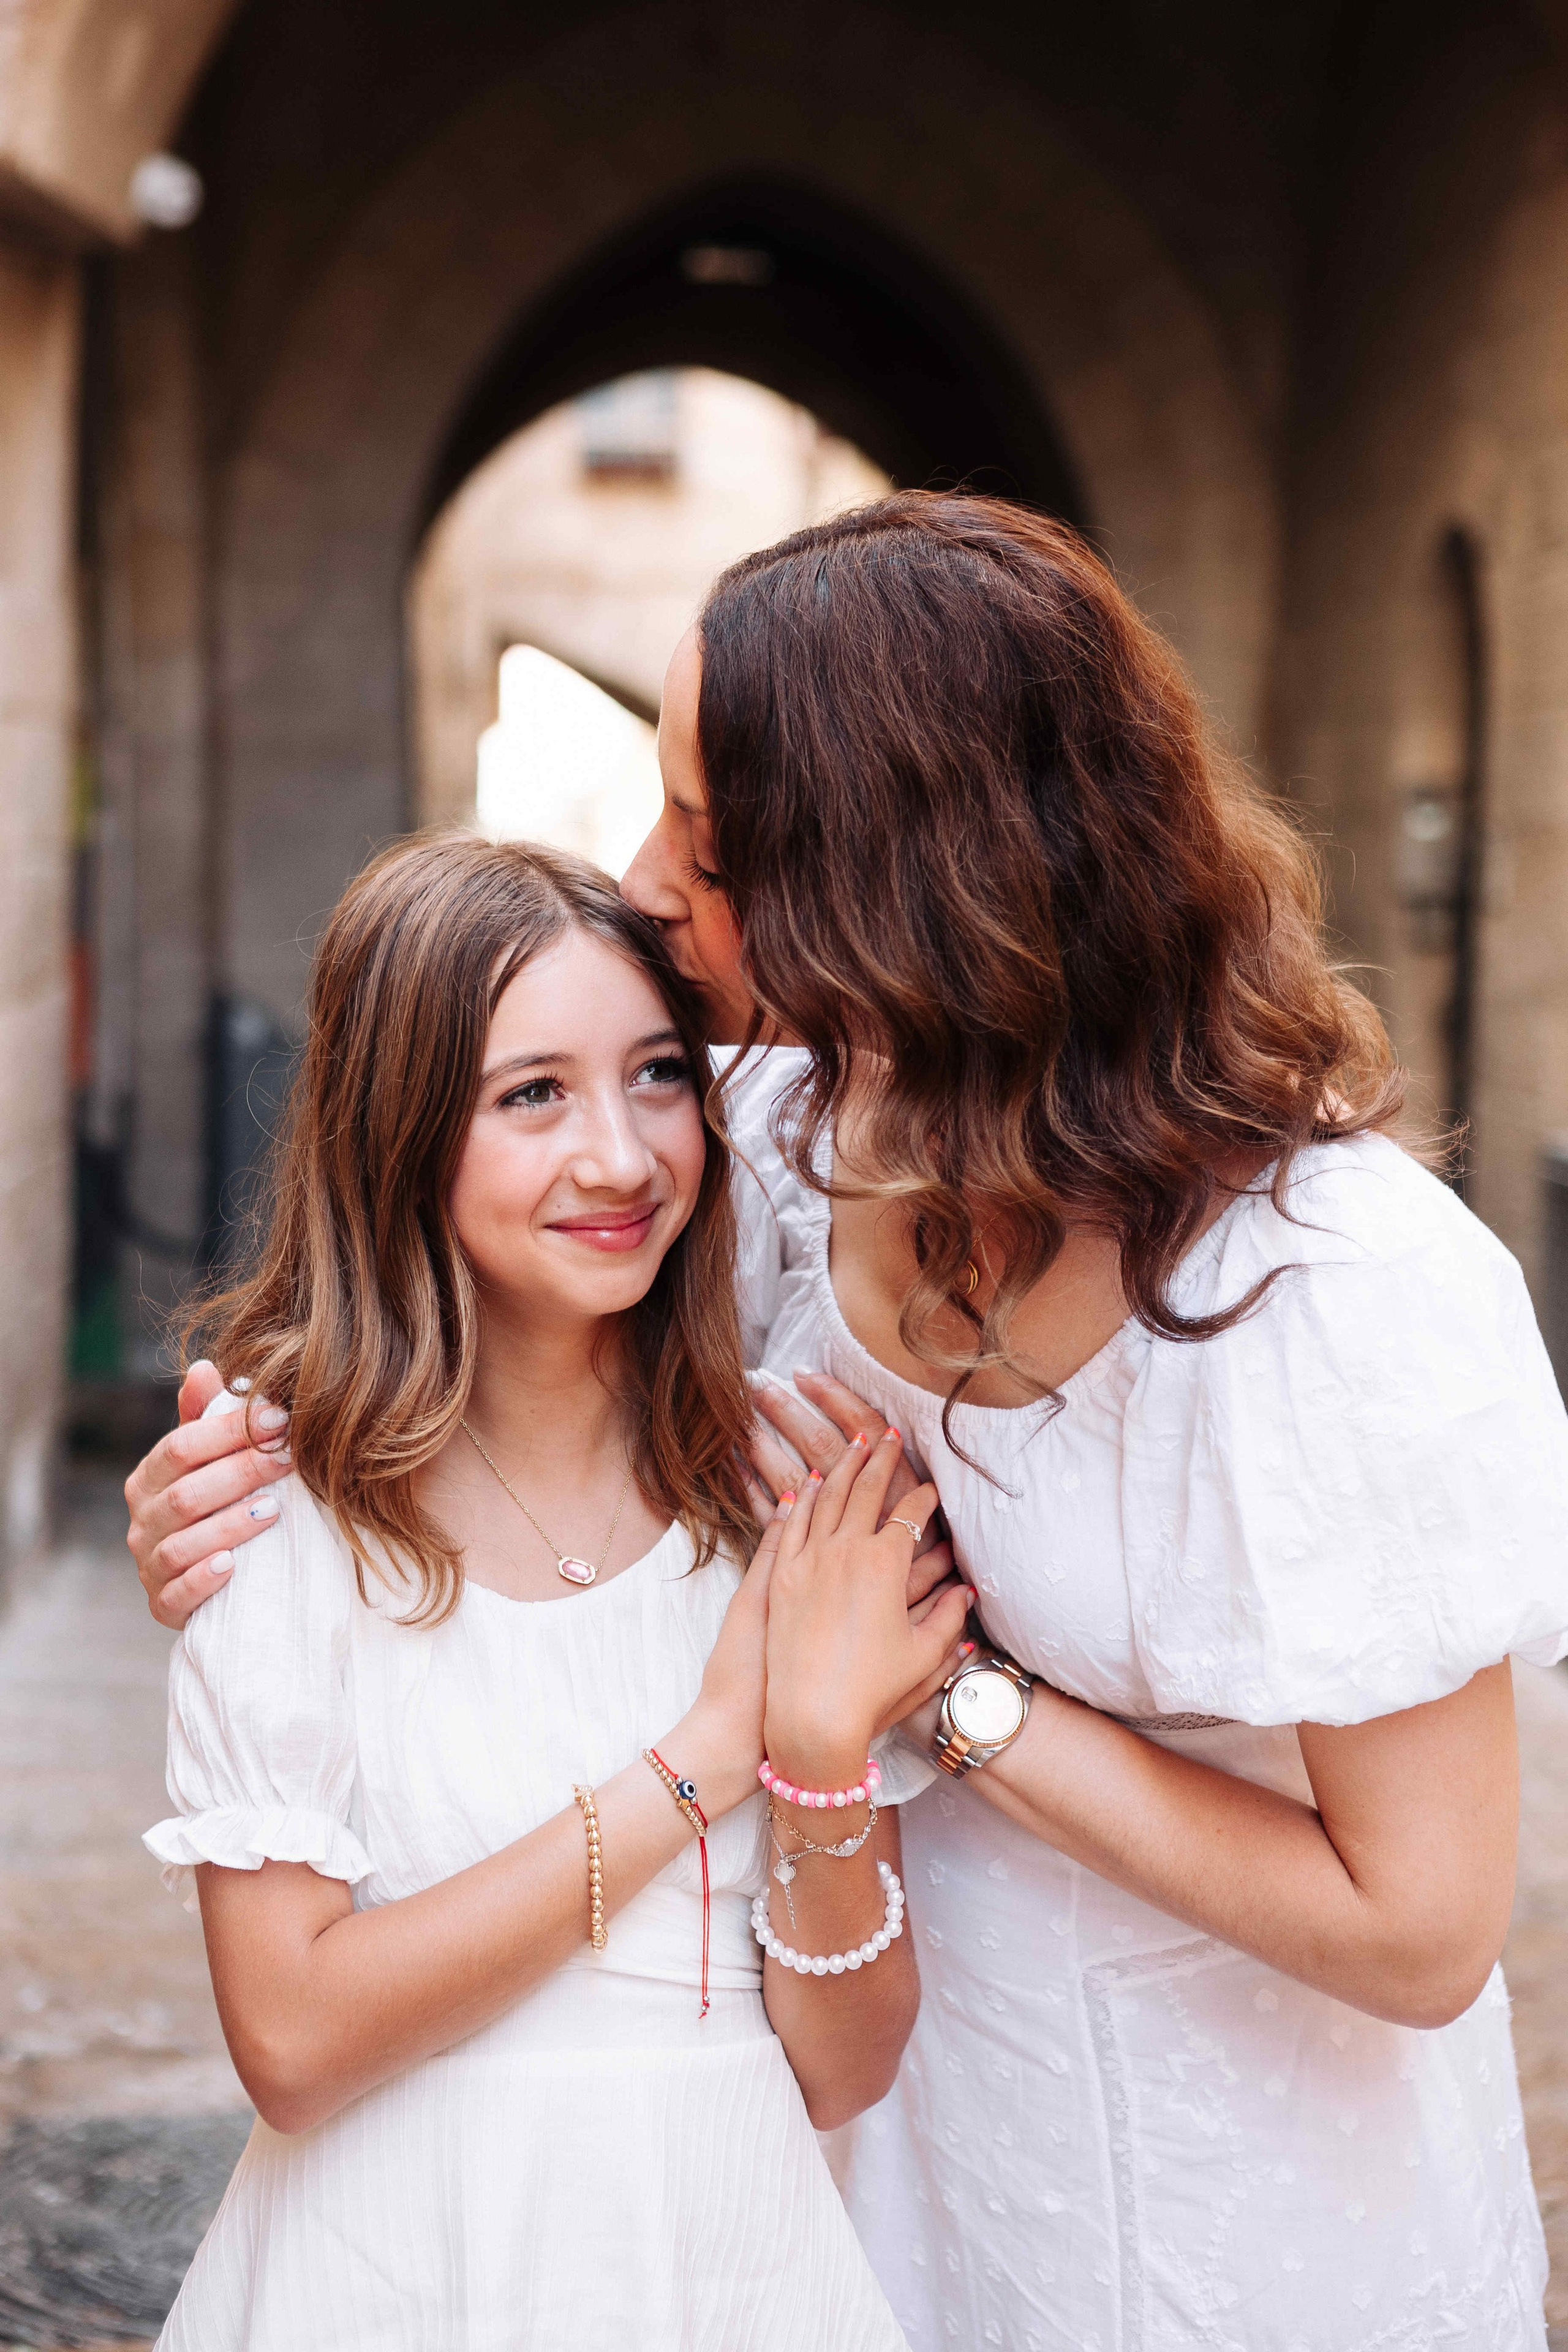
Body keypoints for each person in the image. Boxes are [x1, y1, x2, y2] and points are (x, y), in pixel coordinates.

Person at [127, 494, 1568, 2352]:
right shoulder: (785, 1156)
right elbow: (494, 1289)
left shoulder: (1335, 1292)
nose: (647, 880)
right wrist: (244, 1495)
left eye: (710, 848)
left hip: (1249, 2203)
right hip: (872, 2180)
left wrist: (935, 1701)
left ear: (900, 892)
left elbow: (1424, 1931)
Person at [137, 832, 970, 2352]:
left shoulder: (780, 1496)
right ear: (397, 1135)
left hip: (732, 2265)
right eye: (532, 1095)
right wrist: (712, 1755)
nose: (621, 1156)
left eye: (658, 1075)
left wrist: (826, 1762)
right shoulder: (278, 1510)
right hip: (391, 2269)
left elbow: (843, 2069)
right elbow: (296, 2041)